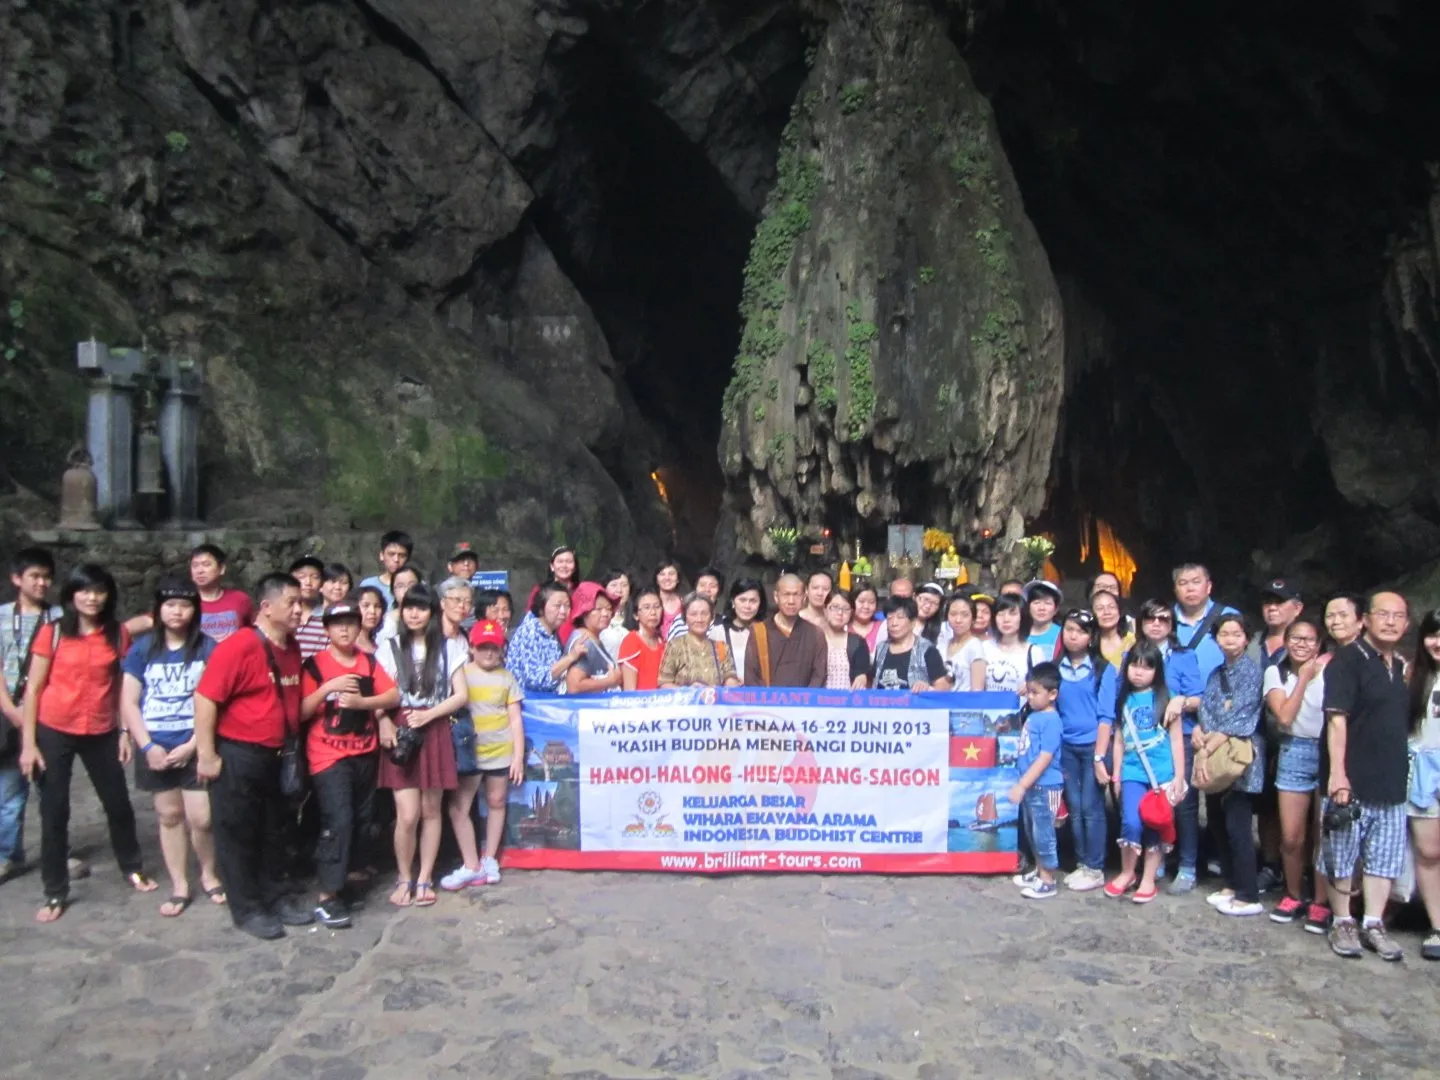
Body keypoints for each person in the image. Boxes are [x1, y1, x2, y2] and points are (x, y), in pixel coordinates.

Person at [19, 564, 156, 922]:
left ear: (108, 596)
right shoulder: (52, 633)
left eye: (99, 591)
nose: (92, 598)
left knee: (118, 803)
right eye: (84, 590)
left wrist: (125, 732)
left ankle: (132, 867)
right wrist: (29, 744)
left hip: (100, 729)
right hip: (55, 728)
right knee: (54, 810)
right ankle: (55, 890)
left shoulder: (116, 634)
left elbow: (122, 687)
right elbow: (33, 689)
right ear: (71, 595)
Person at [194, 573, 312, 940]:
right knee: (237, 833)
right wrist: (206, 754)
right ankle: (246, 908)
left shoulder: (291, 646)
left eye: (301, 602)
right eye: (292, 602)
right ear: (266, 607)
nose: (299, 609)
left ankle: (276, 896)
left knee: (274, 831)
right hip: (239, 755)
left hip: (277, 755)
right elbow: (205, 697)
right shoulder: (240, 645)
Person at [120, 578, 222, 917]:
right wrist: (147, 745)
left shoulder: (207, 647)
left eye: (185, 605)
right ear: (158, 609)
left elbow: (215, 699)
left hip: (194, 742)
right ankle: (180, 884)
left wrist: (195, 745)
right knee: (169, 815)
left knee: (202, 817)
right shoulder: (142, 649)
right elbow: (129, 701)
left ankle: (209, 874)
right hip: (155, 744)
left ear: (195, 610)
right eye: (170, 605)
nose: (177, 611)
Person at [1320, 591, 1411, 960]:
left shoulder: (1399, 666)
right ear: (1367, 620)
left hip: (1391, 778)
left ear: (1407, 623)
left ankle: (1373, 922)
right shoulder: (1347, 661)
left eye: (1398, 616)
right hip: (1352, 777)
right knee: (1342, 853)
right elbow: (1336, 720)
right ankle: (1342, 921)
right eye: (1382, 614)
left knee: (1384, 857)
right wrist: (1338, 775)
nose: (1390, 622)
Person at [300, 600, 400, 928]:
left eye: (350, 623)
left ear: (359, 627)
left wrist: (361, 702)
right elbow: (300, 712)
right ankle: (327, 895)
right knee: (338, 820)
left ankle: (348, 881)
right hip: (327, 756)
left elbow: (392, 695)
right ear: (326, 629)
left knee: (361, 819)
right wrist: (327, 688)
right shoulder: (314, 665)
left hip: (364, 751)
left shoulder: (367, 661)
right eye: (337, 624)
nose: (344, 629)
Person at [376, 584, 467, 910]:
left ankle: (425, 877)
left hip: (434, 725)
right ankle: (404, 876)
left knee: (431, 810)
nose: (414, 614)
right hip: (400, 727)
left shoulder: (449, 647)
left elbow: (461, 695)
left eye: (421, 608)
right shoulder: (389, 647)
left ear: (432, 612)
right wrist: (383, 721)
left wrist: (430, 714)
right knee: (407, 813)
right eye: (409, 607)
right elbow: (379, 692)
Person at [440, 619, 525, 891]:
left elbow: (515, 719)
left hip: (500, 751)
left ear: (501, 650)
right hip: (470, 753)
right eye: (483, 647)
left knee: (497, 801)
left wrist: (518, 756)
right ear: (472, 648)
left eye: (494, 647)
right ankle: (471, 864)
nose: (489, 652)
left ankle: (489, 860)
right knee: (459, 807)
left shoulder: (507, 678)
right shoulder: (461, 674)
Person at [1299, 593, 1366, 931]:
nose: (1335, 621)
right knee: (1330, 831)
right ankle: (1327, 903)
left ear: (1361, 620)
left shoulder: (1379, 661)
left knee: (1363, 834)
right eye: (1330, 615)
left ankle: (1362, 909)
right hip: (1327, 752)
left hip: (1364, 755)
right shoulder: (1326, 661)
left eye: (1343, 615)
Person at [1131, 598, 1206, 894]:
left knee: (1183, 802)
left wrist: (1181, 701)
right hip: (1144, 739)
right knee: (1151, 801)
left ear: (1171, 625)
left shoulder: (1183, 656)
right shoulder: (1133, 654)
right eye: (1150, 619)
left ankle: (1187, 865)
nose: (1156, 624)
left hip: (1179, 736)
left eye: (1163, 619)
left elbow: (1200, 697)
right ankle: (1156, 857)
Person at [1195, 612, 1266, 917]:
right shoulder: (1216, 673)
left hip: (1239, 757)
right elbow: (1207, 709)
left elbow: (1245, 717)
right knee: (1217, 820)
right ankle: (1231, 882)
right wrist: (1205, 734)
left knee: (1238, 826)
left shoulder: (1252, 673)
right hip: (1215, 754)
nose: (1230, 640)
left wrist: (1207, 746)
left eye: (1236, 634)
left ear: (1246, 638)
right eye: (1224, 634)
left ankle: (1248, 894)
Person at [0, 548, 61, 882]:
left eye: (46, 577)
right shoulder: (1, 616)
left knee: (52, 789)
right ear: (16, 578)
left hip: (48, 713)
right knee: (9, 791)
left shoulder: (60, 618)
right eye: (34, 576)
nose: (41, 583)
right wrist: (13, 712)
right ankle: (8, 855)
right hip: (8, 712)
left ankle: (58, 849)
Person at [1106, 641, 1184, 904]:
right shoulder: (1123, 699)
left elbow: (1176, 740)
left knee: (1155, 824)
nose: (1139, 672)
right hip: (1132, 771)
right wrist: (1117, 774)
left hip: (1161, 774)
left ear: (1157, 671)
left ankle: (1148, 878)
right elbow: (1118, 740)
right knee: (1130, 821)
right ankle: (1128, 872)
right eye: (1134, 666)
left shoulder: (1167, 697)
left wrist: (1179, 776)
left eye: (1146, 667)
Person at [1262, 617, 1326, 924]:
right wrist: (1303, 678)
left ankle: (1322, 900)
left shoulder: (1332, 672)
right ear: (1286, 642)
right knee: (1291, 835)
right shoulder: (1275, 672)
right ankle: (1293, 893)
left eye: (1309, 639)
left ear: (1319, 644)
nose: (1302, 644)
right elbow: (1285, 716)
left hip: (1326, 751)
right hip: (1293, 750)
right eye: (1296, 638)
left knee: (1323, 833)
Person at [1055, 610, 1117, 892]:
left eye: (1080, 631)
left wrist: (1099, 757)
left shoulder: (1103, 670)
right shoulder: (1055, 669)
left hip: (1093, 746)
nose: (1073, 635)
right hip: (1066, 747)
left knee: (1092, 808)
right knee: (1075, 806)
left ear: (1091, 637)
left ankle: (1095, 867)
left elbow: (1106, 717)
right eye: (1069, 629)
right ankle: (1082, 863)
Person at [1009, 663, 1064, 900]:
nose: (1030, 696)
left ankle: (1048, 879)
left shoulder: (1051, 720)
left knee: (1043, 833)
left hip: (1045, 785)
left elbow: (1045, 757)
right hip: (1032, 786)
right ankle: (1040, 870)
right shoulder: (1035, 715)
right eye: (1028, 691)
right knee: (1033, 831)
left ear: (1052, 694)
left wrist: (1022, 785)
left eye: (1035, 692)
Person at [1405, 608, 1440, 960]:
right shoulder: (1413, 676)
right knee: (1428, 851)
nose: (1438, 642)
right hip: (1422, 772)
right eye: (1433, 634)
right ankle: (1437, 924)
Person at [744, 574, 826, 688]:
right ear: (776, 597)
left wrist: (805, 698)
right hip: (766, 698)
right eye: (786, 594)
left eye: (796, 595)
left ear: (804, 597)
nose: (791, 601)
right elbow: (751, 676)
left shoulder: (816, 634)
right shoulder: (759, 632)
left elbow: (819, 676)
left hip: (805, 699)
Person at [508, 582, 584, 693]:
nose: (563, 611)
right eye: (557, 606)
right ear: (541, 608)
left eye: (567, 606)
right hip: (529, 701)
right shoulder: (530, 632)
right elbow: (536, 679)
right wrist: (571, 657)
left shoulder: (552, 633)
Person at [1171, 563, 1238, 684]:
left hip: (1221, 692)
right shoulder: (1163, 619)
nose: (1190, 588)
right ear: (1175, 590)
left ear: (1208, 587)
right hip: (1175, 694)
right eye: (1183, 583)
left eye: (1196, 582)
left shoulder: (1228, 616)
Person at [659, 595, 740, 687]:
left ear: (712, 617)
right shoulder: (675, 646)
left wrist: (730, 684)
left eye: (704, 614)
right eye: (693, 614)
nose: (699, 619)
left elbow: (730, 676)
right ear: (685, 617)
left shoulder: (721, 647)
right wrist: (689, 692)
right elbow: (664, 683)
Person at [872, 596, 951, 691]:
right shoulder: (881, 648)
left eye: (900, 617)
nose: (894, 623)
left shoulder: (927, 649)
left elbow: (943, 686)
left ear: (913, 622)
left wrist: (928, 688)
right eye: (889, 618)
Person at [980, 593, 1044, 696]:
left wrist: (1031, 685)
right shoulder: (984, 647)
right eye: (1001, 614)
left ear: (1023, 617)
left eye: (1012, 613)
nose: (1006, 619)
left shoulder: (1034, 652)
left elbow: (1042, 687)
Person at [566, 583, 623, 694]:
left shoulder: (594, 639)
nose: (606, 614)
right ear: (583, 612)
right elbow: (574, 686)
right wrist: (610, 681)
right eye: (599, 609)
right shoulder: (584, 641)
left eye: (609, 609)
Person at [190, 544, 253, 642]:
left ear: (222, 569)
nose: (199, 571)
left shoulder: (240, 599)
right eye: (195, 565)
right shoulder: (186, 602)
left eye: (206, 564)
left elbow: (253, 634)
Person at [711, 578, 764, 680]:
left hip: (758, 689)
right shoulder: (718, 632)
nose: (747, 606)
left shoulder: (766, 631)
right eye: (742, 600)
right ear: (733, 601)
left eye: (753, 601)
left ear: (760, 603)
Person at [818, 590, 870, 690]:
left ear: (852, 613)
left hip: (848, 698)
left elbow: (861, 673)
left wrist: (861, 677)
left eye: (846, 609)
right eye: (834, 607)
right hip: (819, 698)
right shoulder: (814, 640)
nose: (840, 613)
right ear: (825, 610)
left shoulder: (858, 643)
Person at [620, 587, 666, 691]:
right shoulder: (631, 641)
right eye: (646, 607)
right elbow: (629, 691)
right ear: (636, 615)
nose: (653, 612)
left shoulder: (662, 642)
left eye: (657, 607)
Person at [359, 530, 414, 609]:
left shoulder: (417, 585)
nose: (396, 559)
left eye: (402, 555)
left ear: (408, 558)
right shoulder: (368, 584)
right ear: (382, 555)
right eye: (391, 554)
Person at [941, 594, 986, 691]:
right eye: (953, 614)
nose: (958, 620)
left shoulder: (974, 647)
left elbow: (977, 691)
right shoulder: (942, 644)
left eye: (965, 615)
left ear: (973, 619)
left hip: (964, 700)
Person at [374, 564, 423, 649]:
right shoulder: (386, 622)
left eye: (412, 585)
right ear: (392, 591)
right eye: (400, 586)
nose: (406, 590)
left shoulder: (430, 616)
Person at [290, 555, 329, 659]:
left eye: (315, 577)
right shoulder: (282, 615)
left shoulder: (328, 618)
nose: (308, 582)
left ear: (322, 583)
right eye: (301, 577)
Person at [1092, 589, 1133, 668]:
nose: (1107, 612)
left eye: (1111, 607)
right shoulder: (1089, 644)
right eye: (1100, 608)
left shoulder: (1131, 640)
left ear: (1119, 611)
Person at [599, 569, 635, 657]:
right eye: (614, 585)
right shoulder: (597, 615)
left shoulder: (636, 615)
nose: (619, 590)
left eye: (624, 585)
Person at [1024, 580, 1063, 654]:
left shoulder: (1062, 635)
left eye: (1047, 603)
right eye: (1036, 603)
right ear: (1028, 607)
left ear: (1056, 609)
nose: (1041, 608)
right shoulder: (1018, 633)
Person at [437, 577, 475, 644]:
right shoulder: (429, 636)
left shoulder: (466, 637)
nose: (461, 605)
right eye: (457, 600)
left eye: (467, 601)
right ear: (443, 603)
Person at [848, 584, 883, 655]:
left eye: (871, 602)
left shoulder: (883, 628)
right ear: (851, 602)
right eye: (861, 601)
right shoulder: (844, 628)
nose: (866, 606)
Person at [654, 561, 686, 640]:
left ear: (678, 579)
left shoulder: (686, 604)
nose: (667, 578)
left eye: (671, 574)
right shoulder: (650, 604)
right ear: (657, 580)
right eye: (662, 574)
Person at [354, 585, 387, 654]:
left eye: (377, 606)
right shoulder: (345, 645)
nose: (372, 611)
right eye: (366, 605)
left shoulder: (380, 647)